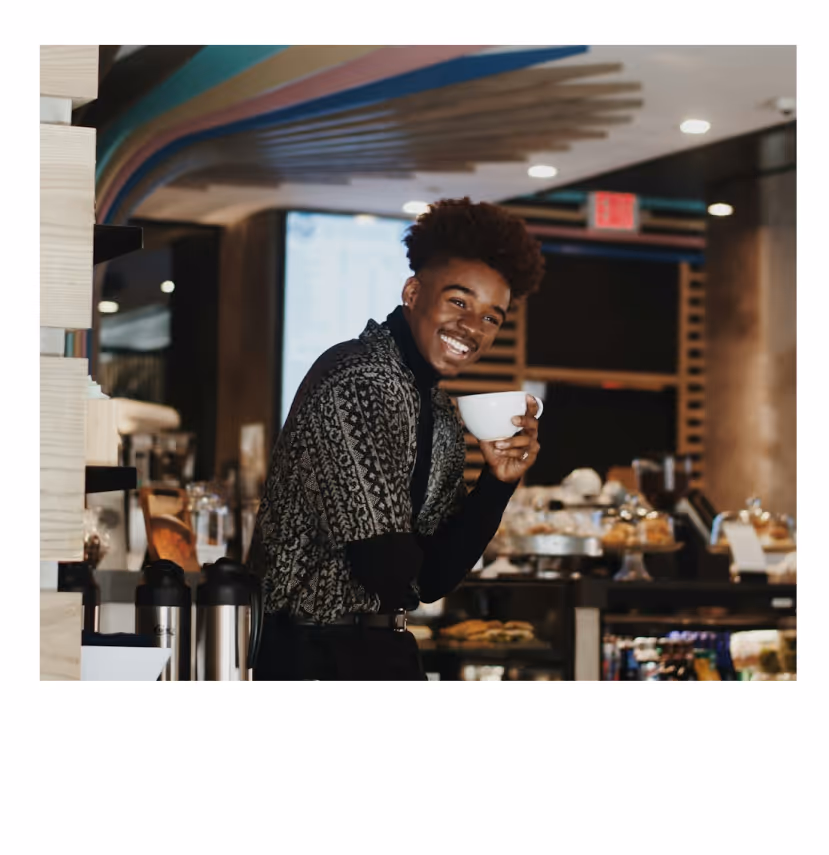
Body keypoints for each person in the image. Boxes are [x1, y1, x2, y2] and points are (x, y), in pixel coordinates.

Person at [248, 197, 546, 680]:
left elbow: (432, 581)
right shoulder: (358, 378)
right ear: (413, 292)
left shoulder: (439, 409)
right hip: (312, 655)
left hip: (376, 649)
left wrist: (498, 483)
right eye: (458, 301)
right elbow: (385, 567)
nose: (472, 327)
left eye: (491, 317)